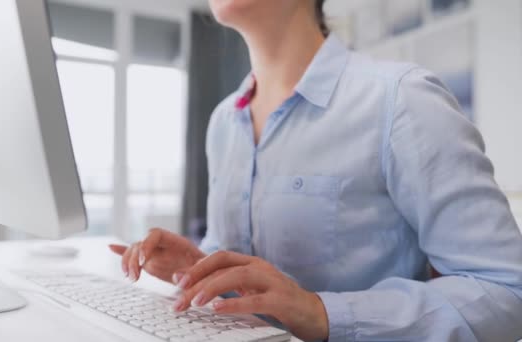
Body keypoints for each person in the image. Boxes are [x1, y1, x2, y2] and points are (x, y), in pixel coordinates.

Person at [109, 0, 522, 340]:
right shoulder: (223, 123)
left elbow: (507, 293)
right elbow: (248, 285)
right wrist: (202, 264)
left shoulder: (401, 101)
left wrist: (320, 311)